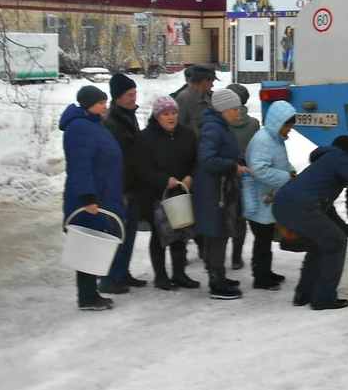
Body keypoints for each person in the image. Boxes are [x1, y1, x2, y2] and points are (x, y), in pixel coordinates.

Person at [272, 135, 348, 311]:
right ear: (347, 153)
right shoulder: (337, 157)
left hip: (283, 206)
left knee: (318, 246)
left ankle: (304, 294)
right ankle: (324, 298)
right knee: (336, 243)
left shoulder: (323, 166)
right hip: (300, 207)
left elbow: (328, 213)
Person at [59, 85, 126, 311]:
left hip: (102, 193)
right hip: (90, 197)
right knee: (87, 245)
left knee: (93, 244)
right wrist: (88, 198)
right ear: (88, 105)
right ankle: (87, 297)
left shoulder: (92, 125)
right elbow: (80, 166)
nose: (105, 107)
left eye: (105, 102)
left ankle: (90, 293)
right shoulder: (79, 128)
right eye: (100, 103)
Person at [133, 96, 200, 291]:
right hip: (156, 195)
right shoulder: (145, 137)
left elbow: (196, 161)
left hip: (181, 194)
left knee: (180, 233)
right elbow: (142, 167)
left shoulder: (186, 134)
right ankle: (161, 276)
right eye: (166, 114)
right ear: (157, 116)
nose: (171, 117)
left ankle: (179, 273)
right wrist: (165, 180)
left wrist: (190, 176)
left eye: (174, 113)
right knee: (159, 236)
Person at [193, 88, 249, 300]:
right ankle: (217, 282)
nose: (238, 113)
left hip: (219, 187)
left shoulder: (220, 126)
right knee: (218, 234)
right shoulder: (213, 129)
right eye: (235, 109)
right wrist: (232, 167)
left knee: (219, 233)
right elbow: (207, 159)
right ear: (224, 109)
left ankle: (219, 275)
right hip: (213, 191)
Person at [99, 73, 147, 294]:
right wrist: (120, 190)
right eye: (129, 94)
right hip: (121, 187)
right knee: (117, 234)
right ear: (117, 97)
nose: (133, 98)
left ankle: (122, 272)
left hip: (133, 184)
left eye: (135, 93)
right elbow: (115, 160)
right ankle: (109, 279)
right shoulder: (112, 122)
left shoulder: (128, 116)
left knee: (129, 233)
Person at [244, 99, 297, 291]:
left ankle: (266, 271)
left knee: (266, 238)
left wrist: (291, 172)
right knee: (262, 239)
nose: (289, 129)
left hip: (267, 199)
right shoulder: (263, 140)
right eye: (286, 125)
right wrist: (286, 177)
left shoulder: (274, 139)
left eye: (291, 125)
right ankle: (260, 277)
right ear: (277, 122)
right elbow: (259, 169)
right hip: (259, 200)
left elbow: (281, 163)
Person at [226, 83, 260, 270]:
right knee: (241, 216)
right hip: (247, 174)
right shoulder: (254, 124)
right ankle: (237, 257)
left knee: (224, 213)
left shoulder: (224, 122)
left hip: (226, 171)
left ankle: (211, 254)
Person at [175, 63, 218, 135]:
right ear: (204, 83)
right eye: (211, 83)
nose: (212, 85)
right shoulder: (184, 98)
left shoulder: (207, 97)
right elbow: (177, 128)